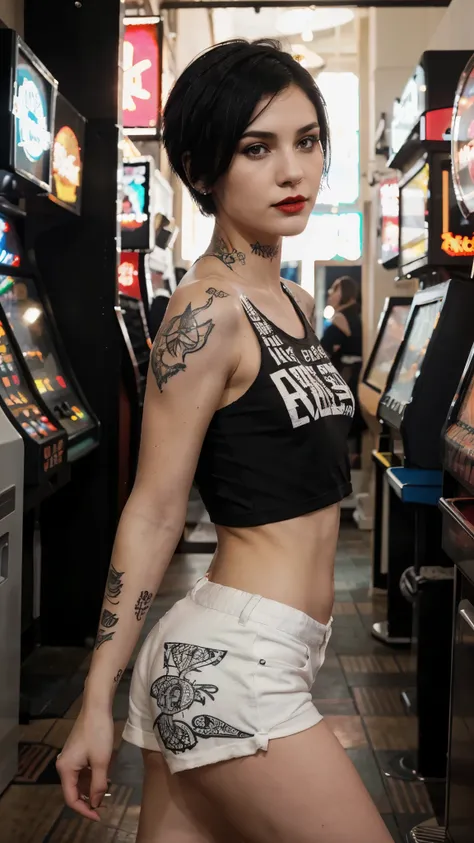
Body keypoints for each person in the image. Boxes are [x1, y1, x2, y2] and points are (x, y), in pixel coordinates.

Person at [56, 39, 393, 843]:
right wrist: (93, 700)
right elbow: (154, 509)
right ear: (204, 169)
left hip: (254, 655)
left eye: (307, 140)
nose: (293, 171)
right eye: (257, 147)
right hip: (237, 666)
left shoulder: (292, 305)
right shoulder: (205, 312)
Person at [321, 276, 366, 465]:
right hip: (356, 374)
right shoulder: (355, 314)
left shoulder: (340, 317)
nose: (330, 294)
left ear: (343, 293)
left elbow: (322, 348)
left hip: (346, 376)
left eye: (334, 289)